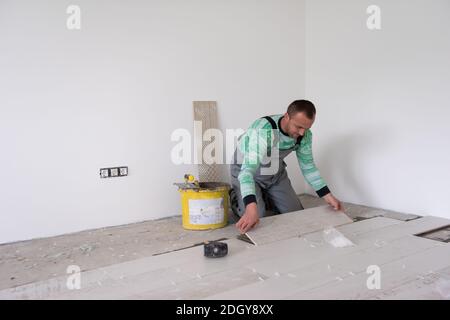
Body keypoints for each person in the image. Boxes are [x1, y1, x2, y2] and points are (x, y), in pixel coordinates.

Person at [229, 100, 342, 234]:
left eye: (306, 128)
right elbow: (246, 172)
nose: (302, 133)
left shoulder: (304, 135)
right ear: (286, 116)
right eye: (299, 127)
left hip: (274, 172)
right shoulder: (264, 130)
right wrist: (251, 207)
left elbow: (309, 167)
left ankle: (265, 196)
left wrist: (328, 196)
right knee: (257, 217)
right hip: (247, 172)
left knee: (295, 215)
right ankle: (236, 197)